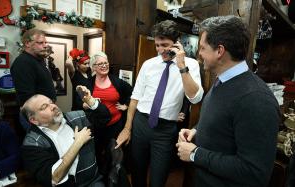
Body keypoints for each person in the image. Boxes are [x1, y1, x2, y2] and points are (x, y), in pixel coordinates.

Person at [176, 15, 280, 187]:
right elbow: (222, 125)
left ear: (219, 51)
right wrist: (196, 131)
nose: (198, 54)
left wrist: (196, 154)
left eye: (202, 48)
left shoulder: (256, 99)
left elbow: (254, 172)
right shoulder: (222, 81)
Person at [116, 20, 204, 187]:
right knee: (137, 173)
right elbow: (135, 97)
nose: (160, 50)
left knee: (159, 178)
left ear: (177, 43)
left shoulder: (191, 65)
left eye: (165, 45)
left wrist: (181, 66)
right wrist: (127, 128)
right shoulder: (148, 65)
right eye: (157, 45)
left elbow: (195, 98)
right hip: (141, 123)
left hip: (165, 130)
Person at [20, 94, 104, 187]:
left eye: (51, 102)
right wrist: (78, 143)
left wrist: (92, 102)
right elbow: (54, 178)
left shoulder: (75, 117)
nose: (53, 107)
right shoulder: (32, 143)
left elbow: (104, 118)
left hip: (93, 182)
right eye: (44, 107)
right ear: (34, 120)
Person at [85, 51, 132, 183]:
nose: (104, 65)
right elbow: (81, 102)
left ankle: (114, 180)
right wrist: (87, 104)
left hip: (115, 125)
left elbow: (132, 93)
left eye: (106, 63)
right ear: (93, 67)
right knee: (97, 154)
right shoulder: (88, 83)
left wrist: (126, 106)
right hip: (97, 126)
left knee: (115, 156)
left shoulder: (116, 81)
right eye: (100, 64)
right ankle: (100, 179)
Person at [11, 29, 56, 107]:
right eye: (40, 43)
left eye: (45, 42)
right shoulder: (23, 62)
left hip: (46, 109)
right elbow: (26, 97)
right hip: (35, 113)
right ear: (27, 43)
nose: (45, 45)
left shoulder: (38, 60)